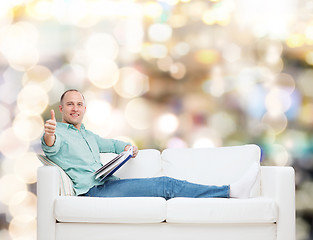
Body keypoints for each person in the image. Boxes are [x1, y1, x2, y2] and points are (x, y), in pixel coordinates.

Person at [42, 89, 259, 199]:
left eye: (79, 104)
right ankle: (229, 191)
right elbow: (50, 146)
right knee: (166, 184)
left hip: (107, 183)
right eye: (69, 104)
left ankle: (229, 191)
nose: (75, 108)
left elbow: (111, 144)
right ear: (61, 109)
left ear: (84, 109)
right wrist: (50, 133)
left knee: (165, 184)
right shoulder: (58, 132)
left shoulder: (88, 135)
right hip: (93, 192)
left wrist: (127, 148)